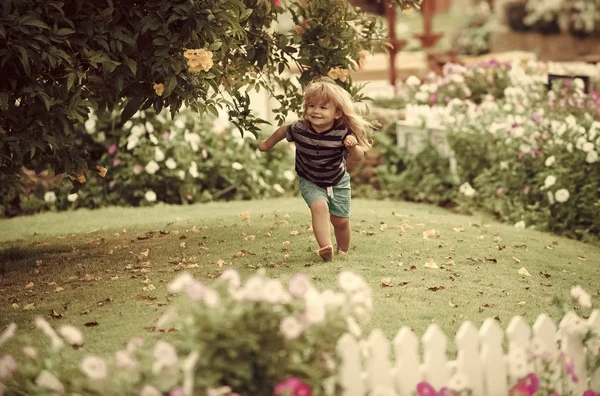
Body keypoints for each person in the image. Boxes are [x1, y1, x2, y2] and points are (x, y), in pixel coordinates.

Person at [258, 77, 373, 262]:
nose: (315, 111)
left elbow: (359, 158)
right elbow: (282, 131)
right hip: (310, 179)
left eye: (322, 107)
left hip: (338, 180)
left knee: (340, 221)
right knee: (318, 206)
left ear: (337, 113)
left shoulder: (342, 132)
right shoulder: (299, 128)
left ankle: (343, 252)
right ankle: (326, 248)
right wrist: (267, 144)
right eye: (311, 106)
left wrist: (352, 146)